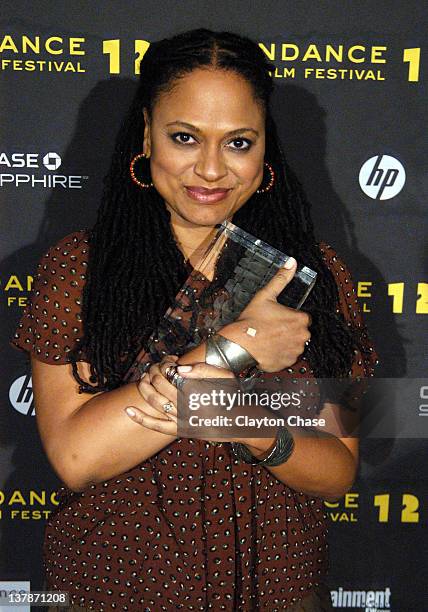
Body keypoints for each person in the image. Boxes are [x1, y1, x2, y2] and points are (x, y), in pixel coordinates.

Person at [11, 28, 378, 612]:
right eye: (184, 137)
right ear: (146, 135)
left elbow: (337, 470)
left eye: (238, 142)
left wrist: (237, 418)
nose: (210, 169)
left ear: (265, 151)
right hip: (119, 583)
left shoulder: (315, 272)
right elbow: (77, 458)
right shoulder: (82, 266)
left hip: (275, 582)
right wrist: (234, 348)